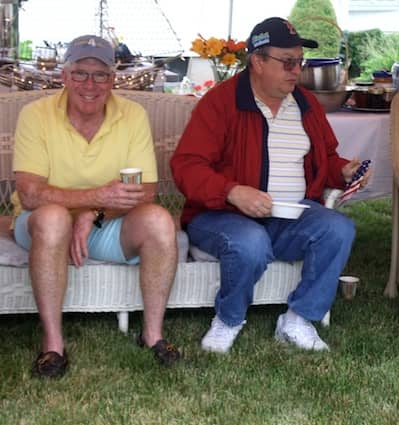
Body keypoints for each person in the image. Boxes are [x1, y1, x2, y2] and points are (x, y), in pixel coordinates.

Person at [171, 17, 366, 354]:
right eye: (287, 62)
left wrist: (343, 171)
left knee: (339, 229)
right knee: (250, 241)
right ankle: (229, 318)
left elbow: (325, 157)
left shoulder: (305, 105)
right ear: (257, 62)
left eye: (299, 62)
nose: (296, 70)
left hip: (290, 214)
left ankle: (299, 317)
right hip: (220, 214)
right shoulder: (221, 103)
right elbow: (186, 166)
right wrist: (232, 191)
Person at [12, 35, 181, 378]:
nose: (89, 84)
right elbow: (30, 195)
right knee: (54, 218)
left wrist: (95, 214)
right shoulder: (35, 115)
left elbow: (145, 190)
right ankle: (53, 346)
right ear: (64, 77)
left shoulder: (132, 115)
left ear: (113, 79)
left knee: (160, 221)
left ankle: (152, 335)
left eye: (100, 75)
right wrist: (96, 198)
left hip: (104, 223)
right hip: (41, 224)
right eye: (80, 73)